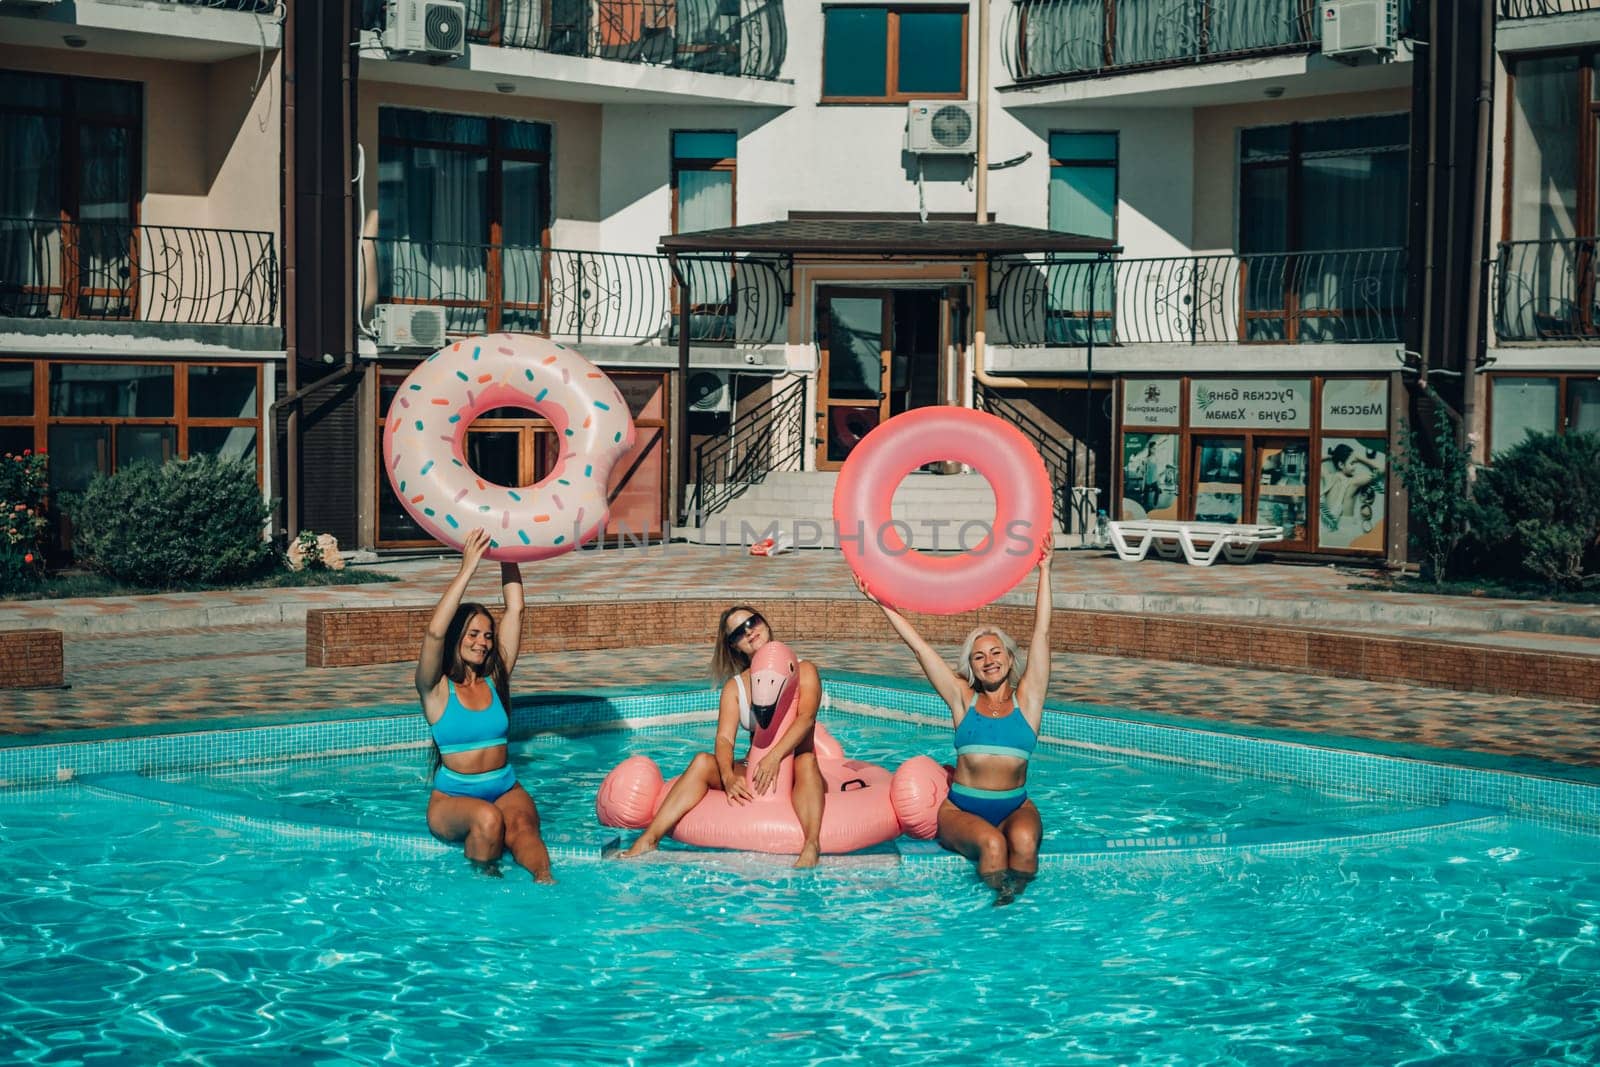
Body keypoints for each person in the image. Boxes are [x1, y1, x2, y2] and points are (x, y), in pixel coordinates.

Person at [858, 539, 1053, 905]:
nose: (989, 660)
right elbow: (921, 649)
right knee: (992, 845)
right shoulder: (963, 698)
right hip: (961, 811)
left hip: (1016, 807)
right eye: (979, 657)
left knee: (1024, 844)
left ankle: (1016, 910)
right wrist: (882, 603)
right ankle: (996, 913)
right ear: (972, 667)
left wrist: (1045, 570)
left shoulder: (1028, 701)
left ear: (1011, 660)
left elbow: (1041, 634)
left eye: (996, 653)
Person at [618, 606, 826, 868]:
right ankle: (649, 838)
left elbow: (806, 718)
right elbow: (724, 739)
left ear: (765, 623)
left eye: (752, 622)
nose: (749, 632)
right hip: (756, 766)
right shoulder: (735, 686)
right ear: (734, 646)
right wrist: (728, 777)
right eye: (739, 633)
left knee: (806, 762)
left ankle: (811, 845)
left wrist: (775, 756)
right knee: (703, 761)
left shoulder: (803, 669)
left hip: (796, 763)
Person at [416, 528, 553, 882]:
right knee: (488, 820)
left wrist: (509, 549)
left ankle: (546, 884)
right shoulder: (435, 689)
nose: (483, 643)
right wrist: (468, 568)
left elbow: (516, 609)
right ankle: (484, 895)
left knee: (523, 826)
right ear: (458, 637)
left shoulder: (496, 679)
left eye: (488, 636)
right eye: (473, 634)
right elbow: (434, 632)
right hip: (452, 799)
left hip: (505, 786)